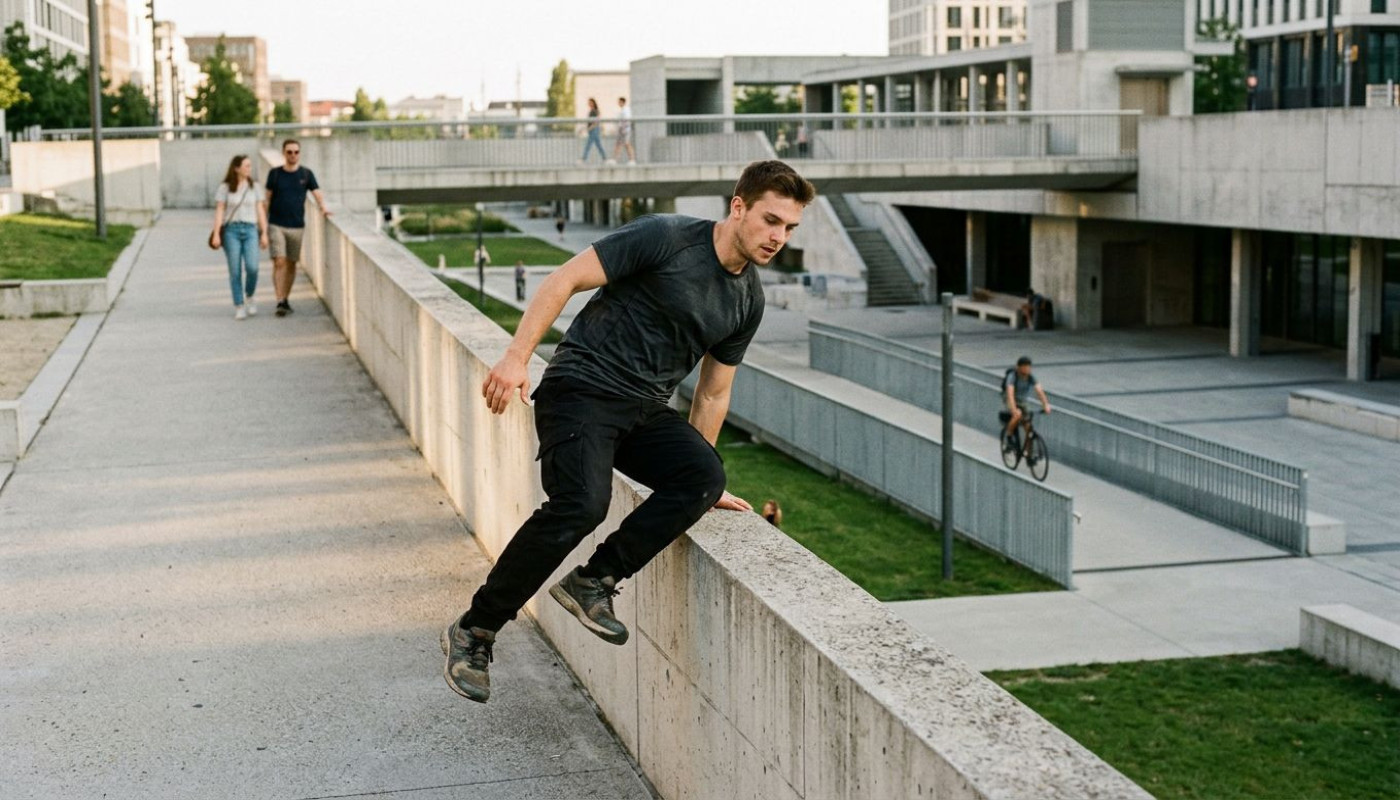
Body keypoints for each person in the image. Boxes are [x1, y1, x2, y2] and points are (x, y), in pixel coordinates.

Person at [442, 160, 816, 703]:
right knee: (582, 504)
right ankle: (474, 630)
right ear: (739, 207)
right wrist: (516, 356)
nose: (779, 237)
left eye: (790, 228)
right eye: (771, 220)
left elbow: (713, 391)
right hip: (582, 389)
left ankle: (593, 581)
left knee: (705, 475)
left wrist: (697, 482)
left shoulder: (747, 300)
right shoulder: (666, 236)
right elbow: (564, 278)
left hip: (643, 409)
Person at [264, 139, 331, 318]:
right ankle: (279, 300)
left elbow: (317, 192)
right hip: (276, 224)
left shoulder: (306, 174)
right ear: (284, 153)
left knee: (292, 264)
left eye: (296, 152)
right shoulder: (275, 174)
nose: (293, 155)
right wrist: (263, 225)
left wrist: (323, 207)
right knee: (279, 261)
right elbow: (267, 199)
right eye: (289, 152)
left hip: (297, 226)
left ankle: (285, 298)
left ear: (299, 153)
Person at [210, 154, 267, 320]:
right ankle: (239, 304)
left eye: (250, 165)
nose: (249, 168)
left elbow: (260, 210)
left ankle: (249, 295)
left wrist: (264, 233)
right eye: (246, 166)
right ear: (237, 168)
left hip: (250, 230)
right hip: (231, 231)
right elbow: (220, 210)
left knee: (252, 267)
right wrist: (216, 234)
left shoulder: (254, 187)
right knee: (234, 270)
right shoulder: (225, 187)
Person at [1002, 356, 1052, 457]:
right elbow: (1010, 394)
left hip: (1023, 401)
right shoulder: (1013, 376)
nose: (1027, 369)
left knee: (1028, 428)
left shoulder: (1031, 377)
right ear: (1019, 367)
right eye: (1025, 367)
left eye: (1029, 367)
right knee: (1017, 415)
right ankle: (1009, 436)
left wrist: (1045, 405)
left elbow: (1039, 391)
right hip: (1010, 400)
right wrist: (1014, 409)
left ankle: (1028, 453)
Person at [579, 97, 607, 163]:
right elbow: (589, 122)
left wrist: (589, 128)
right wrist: (585, 129)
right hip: (592, 130)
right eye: (588, 103)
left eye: (590, 102)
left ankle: (583, 158)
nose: (589, 104)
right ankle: (604, 158)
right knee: (598, 145)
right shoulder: (591, 111)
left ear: (593, 103)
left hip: (594, 129)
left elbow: (596, 121)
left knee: (588, 144)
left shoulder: (595, 111)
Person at [610, 96, 635, 165]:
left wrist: (623, 128)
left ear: (623, 102)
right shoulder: (622, 110)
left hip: (625, 130)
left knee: (627, 144)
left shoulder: (626, 110)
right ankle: (614, 159)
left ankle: (632, 159)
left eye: (620, 102)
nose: (619, 103)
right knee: (618, 144)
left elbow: (626, 120)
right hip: (621, 130)